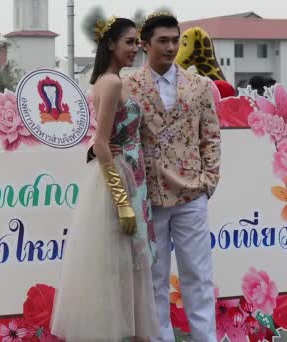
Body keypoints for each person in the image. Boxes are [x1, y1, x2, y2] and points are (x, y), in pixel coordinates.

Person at [51, 16, 159, 341]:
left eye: (137, 42)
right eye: (129, 42)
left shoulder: (105, 80)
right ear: (110, 43)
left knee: (122, 268)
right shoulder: (110, 83)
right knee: (123, 267)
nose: (135, 48)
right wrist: (123, 202)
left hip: (125, 175)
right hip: (119, 179)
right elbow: (100, 142)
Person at [125, 12, 221, 342]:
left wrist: (208, 181)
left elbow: (211, 136)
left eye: (174, 41)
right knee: (154, 280)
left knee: (198, 276)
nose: (170, 48)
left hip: (192, 195)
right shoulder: (129, 86)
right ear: (145, 44)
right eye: (162, 41)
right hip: (149, 197)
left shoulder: (199, 86)